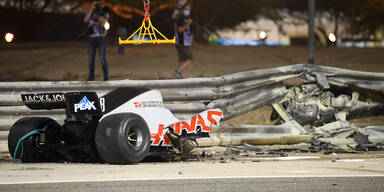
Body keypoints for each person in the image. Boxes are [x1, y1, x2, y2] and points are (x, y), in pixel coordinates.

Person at [83, 1, 109, 81]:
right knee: (91, 59)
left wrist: (103, 20)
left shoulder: (104, 11)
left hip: (101, 37)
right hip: (91, 38)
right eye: (95, 4)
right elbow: (85, 20)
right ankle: (91, 78)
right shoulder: (89, 10)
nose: (96, 6)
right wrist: (91, 9)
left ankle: (106, 78)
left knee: (102, 58)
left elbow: (107, 26)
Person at [173, 3, 193, 79]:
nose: (188, 11)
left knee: (182, 60)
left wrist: (193, 41)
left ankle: (178, 75)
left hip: (184, 41)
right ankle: (177, 71)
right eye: (186, 9)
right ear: (182, 10)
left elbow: (187, 31)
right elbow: (180, 30)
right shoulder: (180, 19)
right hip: (182, 42)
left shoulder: (184, 18)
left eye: (189, 9)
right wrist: (188, 24)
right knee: (190, 59)